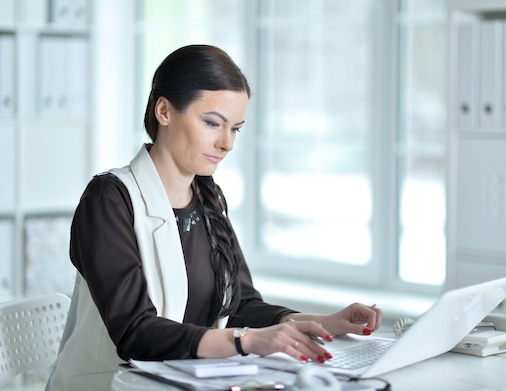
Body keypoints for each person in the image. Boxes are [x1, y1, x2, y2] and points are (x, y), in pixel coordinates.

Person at [46, 44, 382, 390]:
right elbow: (136, 332)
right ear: (164, 111)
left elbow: (241, 307)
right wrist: (245, 341)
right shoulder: (109, 199)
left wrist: (323, 322)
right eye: (212, 123)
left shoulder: (208, 198)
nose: (226, 143)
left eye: (235, 128)